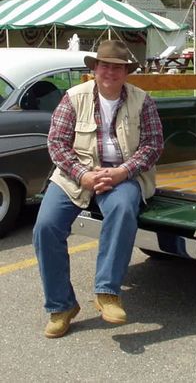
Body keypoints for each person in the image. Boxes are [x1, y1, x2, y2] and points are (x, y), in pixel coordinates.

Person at [33, 40, 163, 338]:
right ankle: (61, 306)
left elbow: (153, 145)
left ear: (126, 72)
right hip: (75, 175)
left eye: (117, 67)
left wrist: (122, 172)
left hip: (123, 174)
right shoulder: (73, 97)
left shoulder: (143, 100)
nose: (110, 72)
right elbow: (56, 143)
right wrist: (83, 175)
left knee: (122, 209)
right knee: (45, 227)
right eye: (104, 65)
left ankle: (107, 293)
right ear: (95, 69)